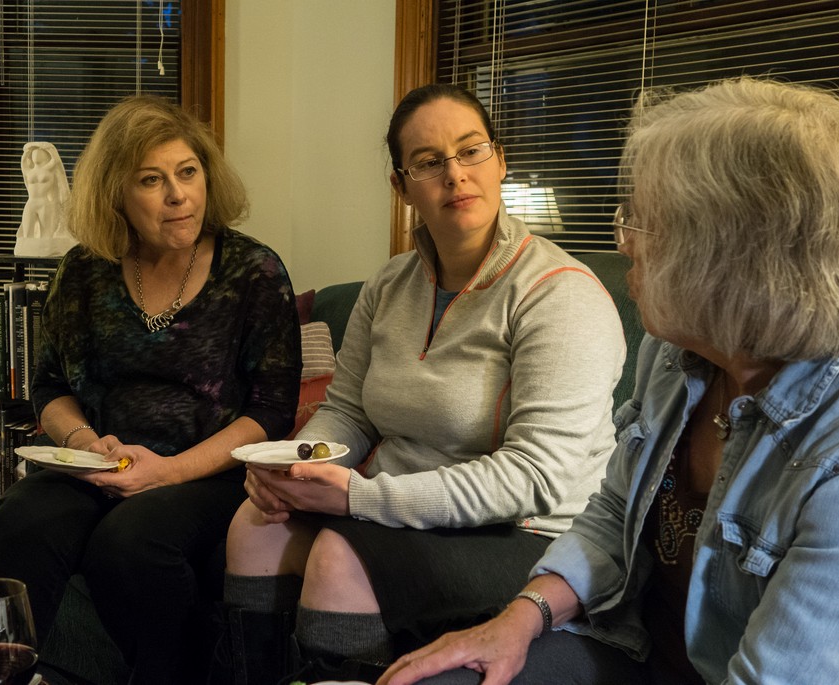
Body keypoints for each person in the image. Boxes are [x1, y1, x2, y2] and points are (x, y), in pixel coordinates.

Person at [377, 76, 839, 685]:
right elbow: (612, 511)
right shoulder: (680, 346)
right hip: (632, 642)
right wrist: (519, 618)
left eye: (646, 224)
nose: (623, 242)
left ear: (737, 256)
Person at [217, 83, 626, 684]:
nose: (456, 175)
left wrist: (357, 498)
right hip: (404, 513)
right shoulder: (387, 287)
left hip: (528, 533)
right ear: (402, 185)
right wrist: (292, 466)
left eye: (471, 151)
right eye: (430, 162)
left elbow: (537, 478)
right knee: (253, 526)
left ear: (501, 159)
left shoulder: (560, 294)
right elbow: (349, 413)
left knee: (340, 559)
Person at [0, 95, 302, 685]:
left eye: (188, 172)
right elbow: (48, 386)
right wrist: (84, 440)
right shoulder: (84, 270)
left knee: (132, 542)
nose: (179, 195)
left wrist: (168, 472)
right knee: (18, 521)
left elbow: (272, 411)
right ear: (116, 195)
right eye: (152, 180)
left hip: (206, 474)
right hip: (96, 461)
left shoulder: (255, 271)